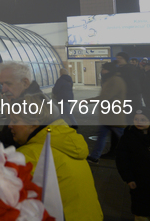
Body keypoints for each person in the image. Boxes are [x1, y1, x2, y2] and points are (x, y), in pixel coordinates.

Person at [9, 93, 103, 221]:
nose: (9, 125)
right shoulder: (65, 140)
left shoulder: (30, 155)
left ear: (33, 124)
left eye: (14, 120)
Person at [86, 61, 127, 163]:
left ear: (109, 70)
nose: (102, 71)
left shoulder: (116, 80)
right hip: (108, 115)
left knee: (123, 138)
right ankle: (95, 156)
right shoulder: (110, 79)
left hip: (114, 115)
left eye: (104, 69)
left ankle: (135, 155)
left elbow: (106, 97)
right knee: (101, 136)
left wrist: (88, 100)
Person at [0, 61, 43, 147]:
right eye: (2, 84)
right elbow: (6, 137)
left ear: (25, 83)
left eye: (8, 83)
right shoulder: (19, 104)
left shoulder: (35, 108)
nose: (3, 90)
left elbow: (18, 147)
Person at [115, 107, 150, 220]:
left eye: (143, 119)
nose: (139, 122)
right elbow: (122, 159)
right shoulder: (128, 137)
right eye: (136, 119)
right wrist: (129, 178)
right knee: (141, 211)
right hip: (139, 182)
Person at [116, 52, 144, 117]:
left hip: (132, 97)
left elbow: (137, 84)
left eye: (121, 58)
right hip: (122, 98)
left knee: (132, 116)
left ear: (125, 59)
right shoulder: (118, 70)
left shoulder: (131, 69)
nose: (118, 60)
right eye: (117, 58)